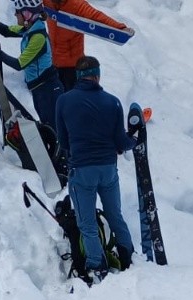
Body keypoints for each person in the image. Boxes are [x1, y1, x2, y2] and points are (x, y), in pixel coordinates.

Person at [53, 56, 135, 282]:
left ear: (78, 76)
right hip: (108, 168)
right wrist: (134, 140)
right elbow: (121, 142)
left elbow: (64, 140)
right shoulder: (113, 102)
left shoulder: (64, 101)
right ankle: (127, 255)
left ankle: (96, 266)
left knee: (87, 223)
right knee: (115, 215)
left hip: (82, 170)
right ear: (97, 75)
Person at [0, 0, 63, 132]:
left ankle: (63, 153)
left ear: (27, 14)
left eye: (18, 12)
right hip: (39, 88)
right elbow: (5, 31)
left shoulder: (38, 37)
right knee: (49, 127)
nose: (15, 15)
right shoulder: (29, 28)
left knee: (53, 129)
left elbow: (18, 64)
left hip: (48, 89)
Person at [43, 0, 132, 90]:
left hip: (72, 66)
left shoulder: (76, 4)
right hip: (53, 63)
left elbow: (97, 17)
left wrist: (120, 28)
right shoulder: (47, 2)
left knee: (72, 99)